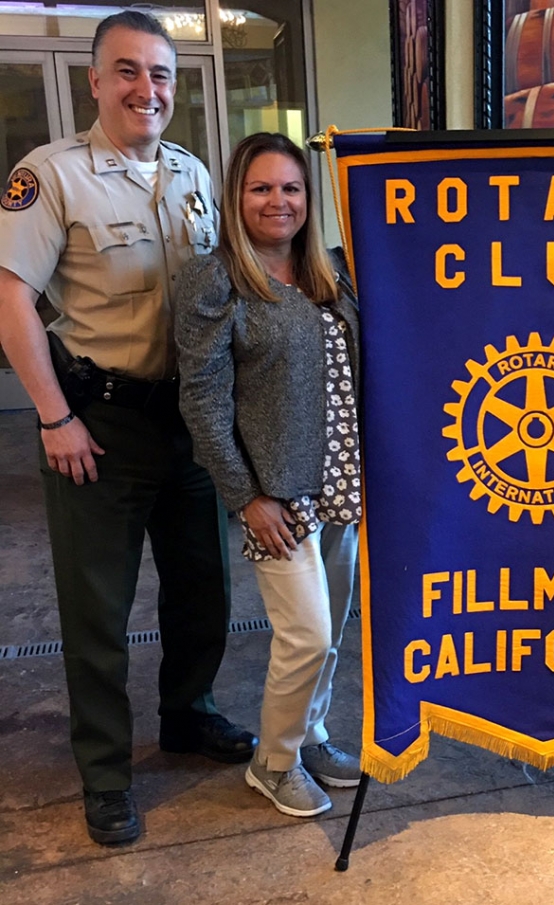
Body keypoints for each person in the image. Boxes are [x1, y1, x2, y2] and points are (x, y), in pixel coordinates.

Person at [0, 11, 256, 846]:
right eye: (129, 72)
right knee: (99, 611)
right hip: (97, 426)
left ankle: (189, 715)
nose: (148, 89)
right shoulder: (51, 176)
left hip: (187, 420)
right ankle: (106, 773)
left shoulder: (190, 174)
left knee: (204, 591)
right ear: (96, 81)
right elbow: (12, 304)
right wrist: (54, 416)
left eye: (161, 75)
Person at [175, 133, 363, 819]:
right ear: (236, 196)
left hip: (342, 478)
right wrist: (245, 495)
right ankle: (272, 760)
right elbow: (200, 398)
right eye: (261, 188)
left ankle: (311, 733)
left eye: (291, 188)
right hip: (276, 494)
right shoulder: (214, 279)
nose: (278, 201)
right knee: (305, 632)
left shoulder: (331, 274)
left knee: (334, 628)